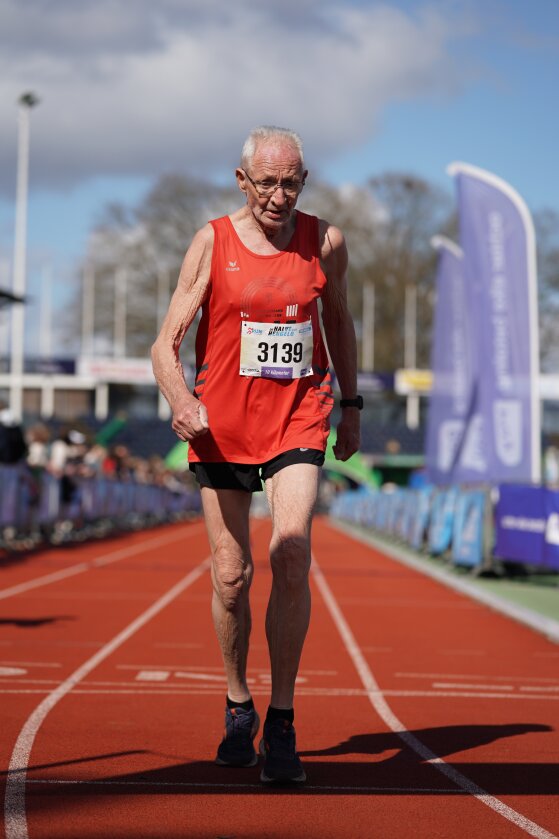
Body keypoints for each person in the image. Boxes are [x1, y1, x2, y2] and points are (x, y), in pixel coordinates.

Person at [152, 125, 361, 784]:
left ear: (304, 181)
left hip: (298, 416)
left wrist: (351, 405)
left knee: (291, 551)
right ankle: (238, 701)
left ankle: (283, 719)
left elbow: (339, 321)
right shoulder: (211, 241)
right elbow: (165, 344)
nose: (277, 195)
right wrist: (181, 400)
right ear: (241, 181)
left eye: (289, 182)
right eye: (265, 182)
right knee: (230, 573)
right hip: (222, 424)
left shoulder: (325, 242)